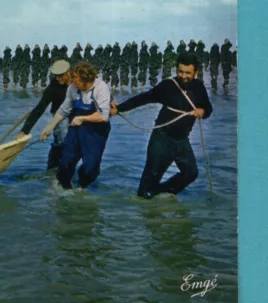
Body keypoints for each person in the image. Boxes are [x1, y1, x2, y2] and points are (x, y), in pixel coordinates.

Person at [110, 52, 213, 199]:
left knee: (191, 173)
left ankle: (161, 194)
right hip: (161, 139)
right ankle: (146, 204)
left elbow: (208, 109)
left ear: (196, 72)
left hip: (182, 140)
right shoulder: (168, 85)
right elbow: (144, 98)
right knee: (148, 183)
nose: (183, 76)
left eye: (188, 73)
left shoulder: (199, 87)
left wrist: (202, 111)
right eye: (180, 71)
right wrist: (119, 108)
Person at [39, 62, 112, 190]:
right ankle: (64, 187)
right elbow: (64, 109)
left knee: (91, 168)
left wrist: (82, 118)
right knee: (66, 162)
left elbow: (104, 116)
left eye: (77, 81)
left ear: (86, 81)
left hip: (96, 132)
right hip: (76, 130)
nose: (73, 83)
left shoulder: (101, 87)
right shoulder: (73, 88)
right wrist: (49, 127)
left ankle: (81, 186)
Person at [15, 60, 72, 170]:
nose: (57, 79)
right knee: (63, 139)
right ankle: (53, 167)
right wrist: (24, 131)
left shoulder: (77, 81)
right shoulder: (53, 87)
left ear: (68, 73)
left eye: (60, 76)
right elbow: (39, 108)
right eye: (55, 76)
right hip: (59, 114)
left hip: (77, 112)